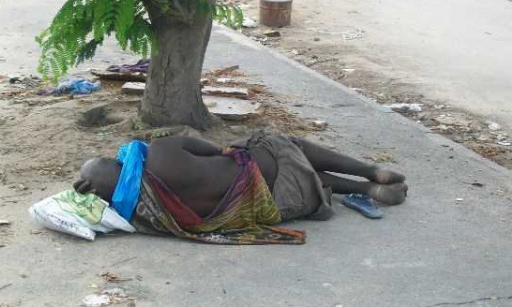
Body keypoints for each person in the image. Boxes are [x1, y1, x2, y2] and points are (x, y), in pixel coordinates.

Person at [73, 131, 408, 245]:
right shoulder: (160, 154)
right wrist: (230, 152)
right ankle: (371, 172)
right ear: (118, 164)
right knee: (282, 146)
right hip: (268, 170)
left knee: (305, 179)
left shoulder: (146, 217)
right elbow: (216, 149)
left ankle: (365, 190)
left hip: (279, 204)